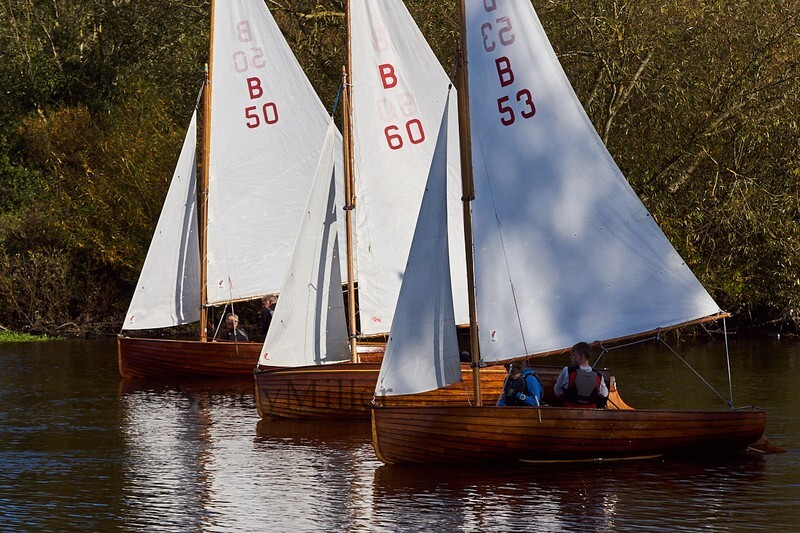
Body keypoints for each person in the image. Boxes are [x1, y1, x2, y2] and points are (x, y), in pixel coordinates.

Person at [554, 341, 608, 408]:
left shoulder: (567, 371)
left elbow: (557, 392)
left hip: (570, 412)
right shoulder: (598, 375)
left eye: (573, 354)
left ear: (581, 355)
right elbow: (604, 394)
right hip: (590, 413)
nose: (571, 357)